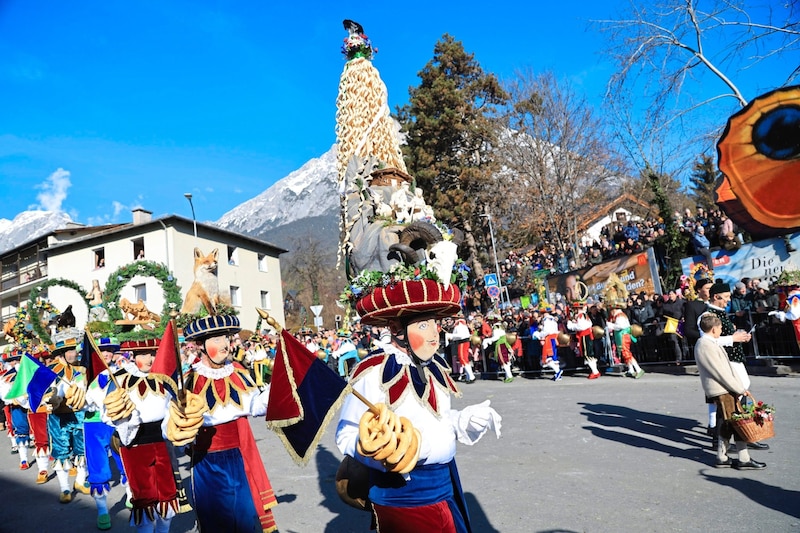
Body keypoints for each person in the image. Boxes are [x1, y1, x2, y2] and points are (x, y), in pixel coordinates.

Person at [336, 278, 501, 533]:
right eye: (424, 325)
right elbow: (346, 435)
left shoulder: (435, 367)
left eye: (436, 323)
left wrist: (462, 421)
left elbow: (437, 420)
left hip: (446, 489)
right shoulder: (372, 372)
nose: (435, 334)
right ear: (395, 327)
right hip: (403, 499)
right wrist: (390, 452)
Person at [168, 314, 278, 533]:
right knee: (216, 522)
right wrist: (182, 426)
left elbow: (255, 406)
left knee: (245, 519)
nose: (225, 345)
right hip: (206, 460)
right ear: (200, 345)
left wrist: (277, 388)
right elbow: (172, 428)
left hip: (239, 457)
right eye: (216, 340)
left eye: (226, 338)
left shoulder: (239, 371)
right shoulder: (188, 380)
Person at [100, 337, 183, 532]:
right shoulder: (120, 380)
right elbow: (107, 414)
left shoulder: (164, 379)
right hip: (134, 445)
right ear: (133, 356)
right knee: (144, 498)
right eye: (144, 354)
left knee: (168, 494)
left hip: (163, 443)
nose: (150, 359)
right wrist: (126, 421)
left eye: (153, 354)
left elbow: (176, 408)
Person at [694, 313, 765, 469]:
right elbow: (720, 372)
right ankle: (743, 458)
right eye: (719, 328)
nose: (721, 330)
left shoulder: (708, 342)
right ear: (713, 329)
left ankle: (722, 456)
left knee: (729, 424)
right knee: (737, 423)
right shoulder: (705, 344)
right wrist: (739, 388)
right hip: (722, 390)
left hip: (723, 389)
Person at [705, 281, 768, 451]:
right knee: (729, 402)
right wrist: (734, 338)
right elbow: (708, 341)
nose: (728, 300)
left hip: (735, 359)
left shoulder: (720, 312)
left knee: (743, 394)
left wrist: (737, 335)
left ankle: (747, 434)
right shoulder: (707, 315)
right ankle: (721, 442)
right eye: (725, 297)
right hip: (725, 362)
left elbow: (723, 335)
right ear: (716, 297)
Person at [45, 327, 89, 504]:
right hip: (59, 418)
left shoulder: (81, 369)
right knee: (61, 451)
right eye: (71, 350)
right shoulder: (51, 371)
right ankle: (64, 488)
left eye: (75, 349)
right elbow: (46, 393)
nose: (75, 353)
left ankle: (79, 481)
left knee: (81, 449)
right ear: (62, 353)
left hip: (78, 415)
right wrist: (51, 399)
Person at [567, 302, 600, 379]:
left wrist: (571, 325)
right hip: (586, 335)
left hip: (584, 335)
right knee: (588, 353)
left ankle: (595, 371)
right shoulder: (583, 315)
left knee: (587, 353)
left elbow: (581, 327)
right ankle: (595, 371)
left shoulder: (581, 315)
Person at [445, 317, 476, 383]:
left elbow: (460, 335)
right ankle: (469, 376)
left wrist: (451, 335)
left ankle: (471, 376)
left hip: (462, 342)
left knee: (463, 359)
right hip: (462, 342)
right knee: (464, 359)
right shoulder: (460, 324)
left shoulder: (459, 324)